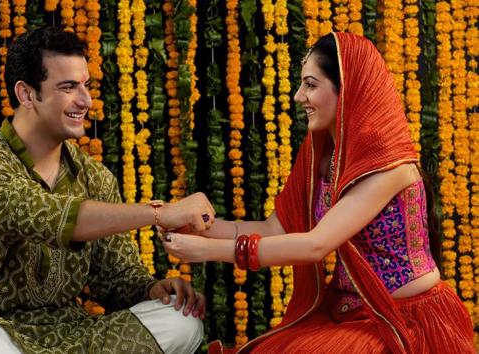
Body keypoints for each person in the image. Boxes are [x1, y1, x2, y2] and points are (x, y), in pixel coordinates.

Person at [162, 32, 474, 353]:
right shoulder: (324, 155)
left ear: (348, 90)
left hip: (400, 323)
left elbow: (316, 244)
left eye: (310, 85)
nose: (299, 97)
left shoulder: (388, 167)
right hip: (347, 313)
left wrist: (205, 251)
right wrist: (199, 228)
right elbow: (274, 229)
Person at [0, 26, 214, 354]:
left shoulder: (94, 177)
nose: (85, 100)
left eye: (86, 85)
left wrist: (154, 290)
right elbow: (44, 215)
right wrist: (158, 212)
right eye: (68, 87)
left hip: (74, 338)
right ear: (27, 94)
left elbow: (115, 278)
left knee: (181, 319)